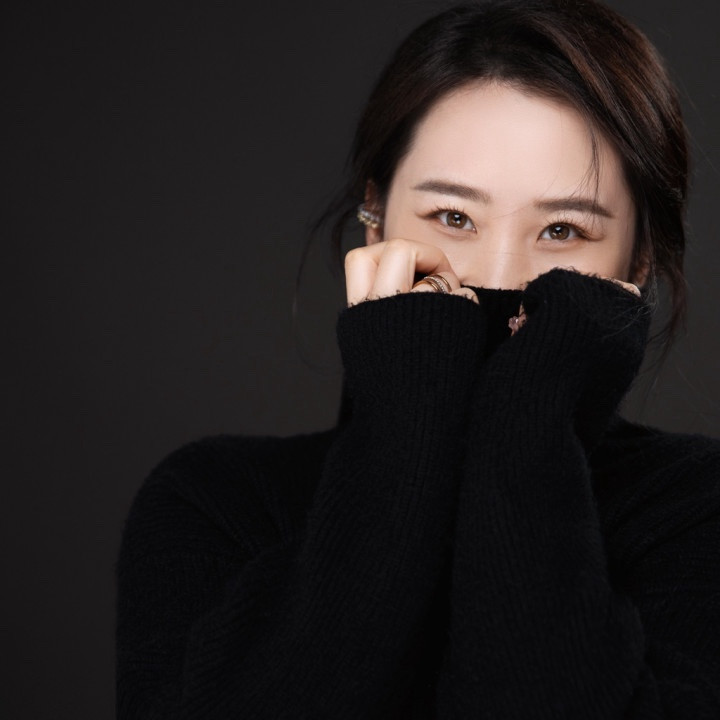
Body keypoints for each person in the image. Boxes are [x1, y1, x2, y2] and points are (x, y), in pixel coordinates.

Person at [116, 1, 720, 717]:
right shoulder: (218, 503)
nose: (500, 276)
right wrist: (405, 429)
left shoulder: (694, 511)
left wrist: (526, 420)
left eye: (562, 230)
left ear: (639, 259)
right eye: (453, 218)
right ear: (375, 217)